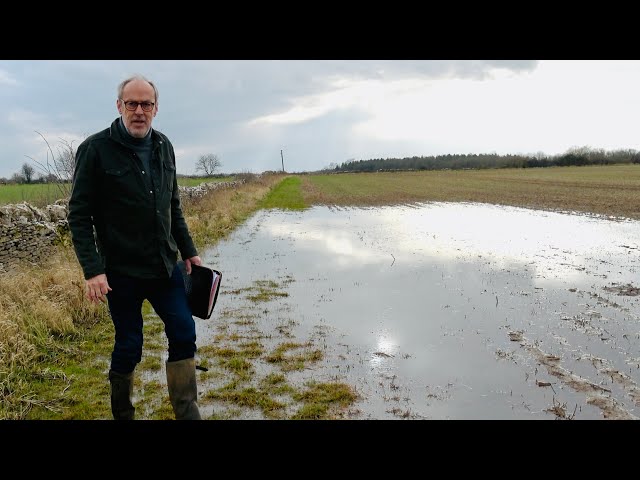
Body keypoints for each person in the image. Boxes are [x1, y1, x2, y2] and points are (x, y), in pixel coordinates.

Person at [68, 74, 202, 420]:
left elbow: (173, 206)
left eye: (146, 104)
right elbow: (79, 215)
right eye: (132, 104)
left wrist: (189, 251)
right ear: (119, 106)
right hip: (120, 273)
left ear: (156, 109)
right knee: (129, 345)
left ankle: (187, 412)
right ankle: (123, 413)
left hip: (164, 267)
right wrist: (93, 270)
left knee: (185, 333)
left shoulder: (164, 146)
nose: (139, 111)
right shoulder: (95, 150)